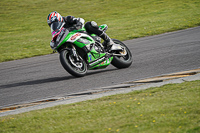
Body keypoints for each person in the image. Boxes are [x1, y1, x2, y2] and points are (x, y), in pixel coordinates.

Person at [47, 11, 115, 49]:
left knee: (89, 24)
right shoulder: (59, 31)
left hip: (82, 32)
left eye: (55, 23)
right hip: (73, 40)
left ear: (59, 18)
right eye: (52, 25)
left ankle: (109, 41)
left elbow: (80, 19)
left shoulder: (67, 19)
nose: (55, 26)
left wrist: (78, 23)